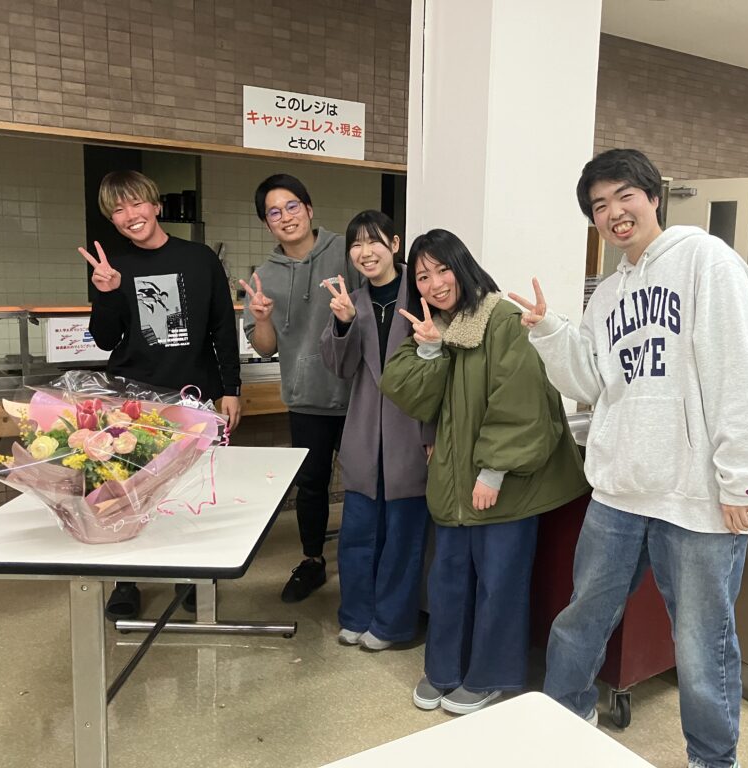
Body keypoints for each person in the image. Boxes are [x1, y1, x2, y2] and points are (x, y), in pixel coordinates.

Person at [511, 148, 748, 768]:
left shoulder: (707, 261)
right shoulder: (608, 292)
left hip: (696, 496)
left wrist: (741, 480)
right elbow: (592, 382)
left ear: (653, 197)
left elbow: (737, 372)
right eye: (599, 205)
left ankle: (712, 759)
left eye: (624, 195)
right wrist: (550, 333)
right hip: (619, 491)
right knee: (581, 619)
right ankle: (563, 724)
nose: (614, 212)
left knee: (703, 643)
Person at [380, 229, 588, 715]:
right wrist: (429, 350)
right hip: (453, 484)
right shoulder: (435, 329)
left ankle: (491, 676)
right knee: (449, 580)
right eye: (423, 276)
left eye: (442, 270)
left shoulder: (502, 320)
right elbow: (409, 394)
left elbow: (522, 403)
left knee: (500, 583)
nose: (434, 284)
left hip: (504, 484)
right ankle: (444, 669)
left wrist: (493, 472)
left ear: (463, 266)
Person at [80, 169, 242, 621]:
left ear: (155, 205)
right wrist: (107, 293)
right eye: (118, 209)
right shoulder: (114, 267)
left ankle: (190, 574)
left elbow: (222, 327)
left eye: (136, 203)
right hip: (131, 398)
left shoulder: (200, 258)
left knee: (187, 490)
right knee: (125, 491)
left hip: (192, 395)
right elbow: (105, 339)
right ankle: (126, 580)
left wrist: (231, 388)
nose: (130, 215)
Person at [238, 174, 363, 603]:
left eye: (292, 206)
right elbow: (265, 347)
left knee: (365, 482)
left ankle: (362, 561)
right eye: (274, 212)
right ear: (266, 223)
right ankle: (312, 561)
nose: (286, 217)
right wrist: (261, 318)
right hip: (306, 398)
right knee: (311, 484)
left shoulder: (346, 252)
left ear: (309, 209)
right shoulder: (264, 276)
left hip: (359, 396)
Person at [319, 210, 431, 651]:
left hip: (410, 433)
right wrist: (344, 323)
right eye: (356, 244)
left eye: (374, 242)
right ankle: (355, 614)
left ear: (395, 245)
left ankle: (392, 624)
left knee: (403, 535)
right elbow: (340, 368)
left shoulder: (420, 295)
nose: (365, 252)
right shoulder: (352, 301)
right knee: (358, 533)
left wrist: (431, 435)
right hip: (365, 433)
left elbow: (439, 372)